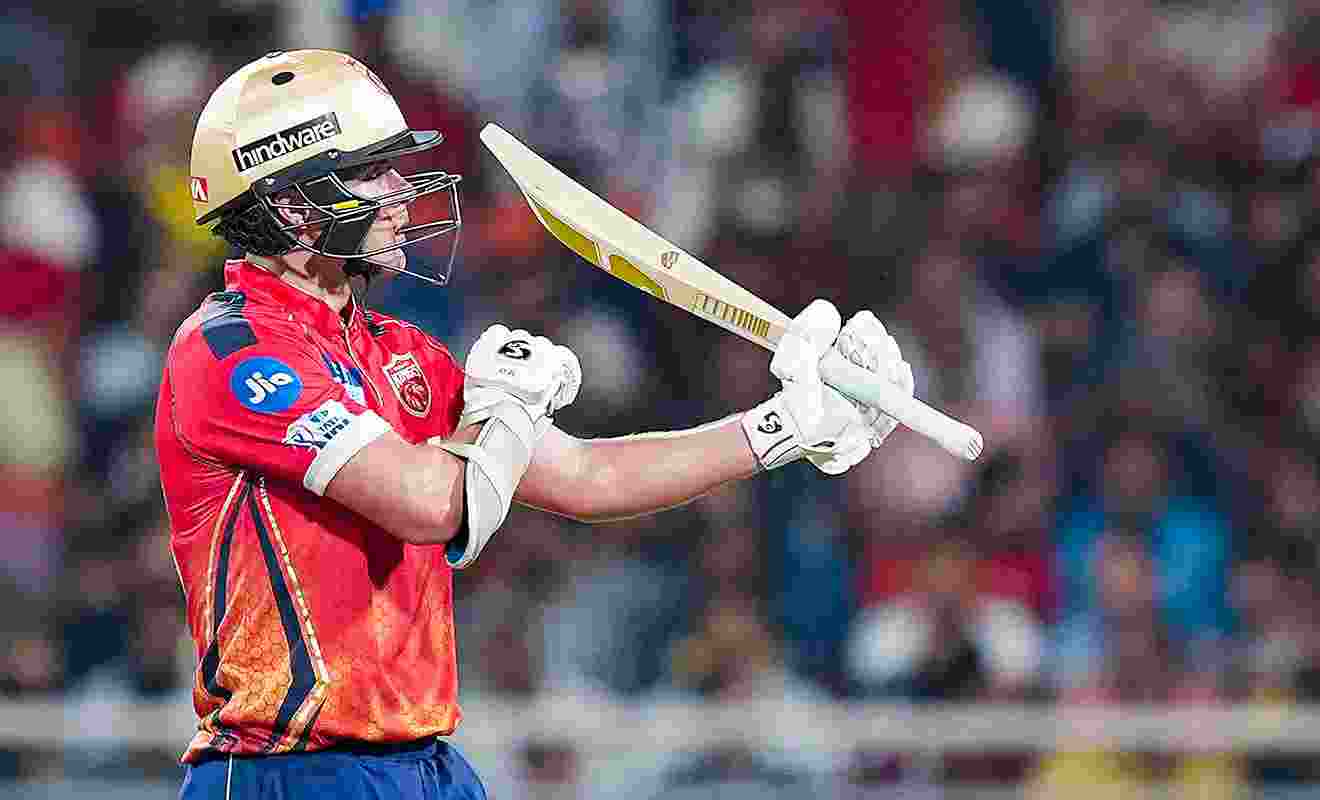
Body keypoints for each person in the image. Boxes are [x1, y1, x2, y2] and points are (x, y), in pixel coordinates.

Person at [158, 50, 913, 799]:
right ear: (291, 205)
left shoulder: (400, 350)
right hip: (287, 773)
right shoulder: (226, 349)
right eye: (370, 171)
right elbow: (432, 504)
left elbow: (588, 474)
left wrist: (781, 427)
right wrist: (509, 407)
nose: (399, 192)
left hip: (424, 764)